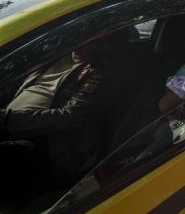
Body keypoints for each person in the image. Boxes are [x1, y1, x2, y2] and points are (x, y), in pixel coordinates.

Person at [0, 39, 114, 198]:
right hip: (9, 125)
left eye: (96, 42)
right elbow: (16, 83)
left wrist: (8, 119)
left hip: (45, 144)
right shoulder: (52, 55)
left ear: (108, 44)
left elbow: (70, 117)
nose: (84, 44)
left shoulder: (100, 73)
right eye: (83, 39)